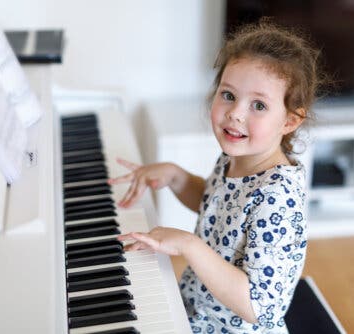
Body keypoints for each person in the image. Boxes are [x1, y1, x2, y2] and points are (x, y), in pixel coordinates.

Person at [108, 19, 321, 333]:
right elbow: (218, 207)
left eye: (258, 105)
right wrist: (177, 177)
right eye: (229, 95)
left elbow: (256, 307)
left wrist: (190, 246)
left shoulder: (278, 196)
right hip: (197, 309)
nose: (235, 113)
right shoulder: (237, 156)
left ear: (290, 120)